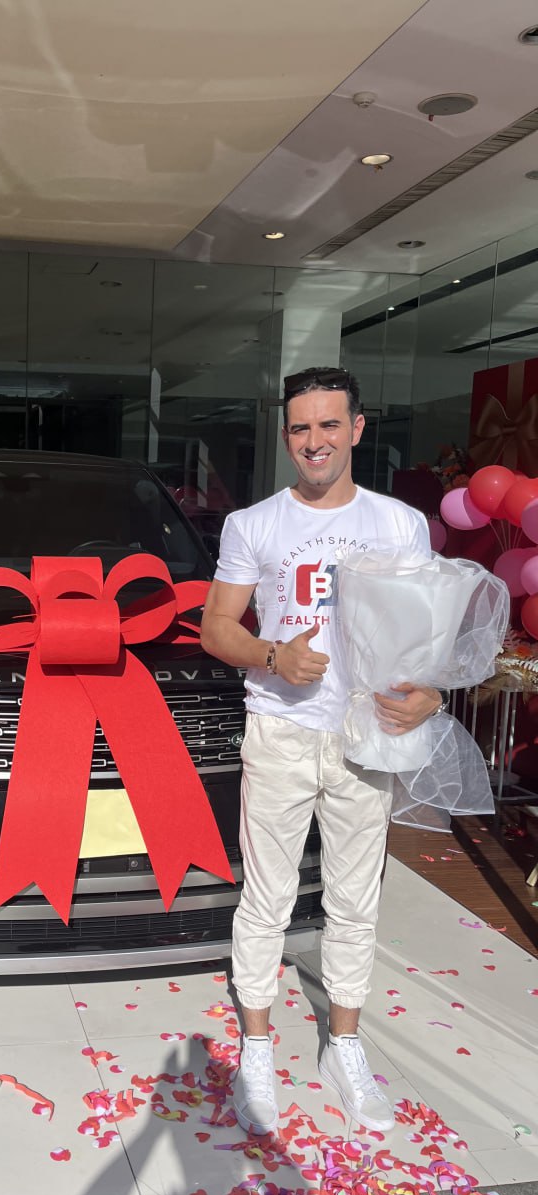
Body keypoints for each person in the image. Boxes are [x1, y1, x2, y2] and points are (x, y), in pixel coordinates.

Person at [200, 366, 443, 1136]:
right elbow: (216, 628)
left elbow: (426, 631)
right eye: (301, 428)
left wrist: (433, 692)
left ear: (357, 429)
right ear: (286, 437)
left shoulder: (399, 524)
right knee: (266, 897)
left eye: (329, 424)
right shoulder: (254, 524)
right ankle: (257, 1048)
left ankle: (343, 1045)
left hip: (366, 733)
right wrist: (273, 655)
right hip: (280, 730)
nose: (315, 441)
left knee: (354, 901)